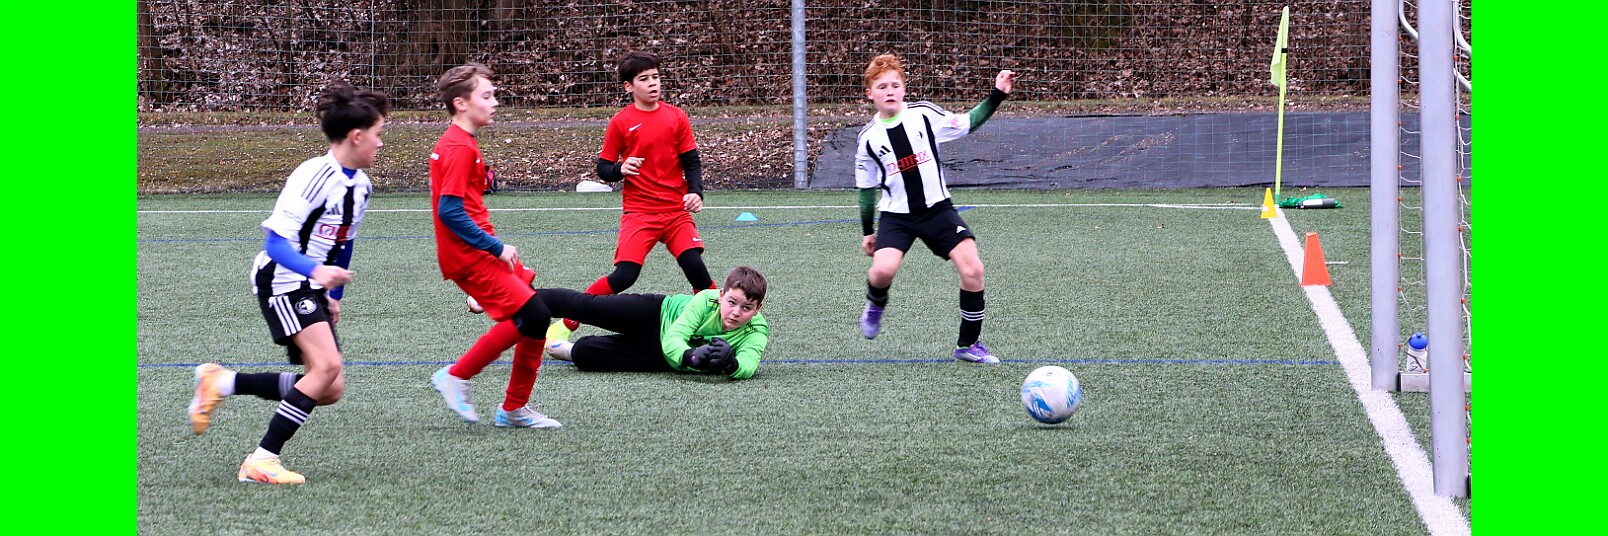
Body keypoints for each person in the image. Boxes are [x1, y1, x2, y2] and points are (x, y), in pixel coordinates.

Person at [186, 81, 389, 484]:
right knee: (327, 366)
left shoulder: (361, 186)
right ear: (356, 136)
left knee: (329, 387)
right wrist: (316, 273)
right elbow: (275, 244)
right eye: (379, 134)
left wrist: (333, 294)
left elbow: (343, 244)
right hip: (281, 281)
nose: (381, 143)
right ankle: (261, 460)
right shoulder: (313, 176)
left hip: (310, 285)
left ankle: (221, 382)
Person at [852, 54, 1016, 363]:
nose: (890, 91)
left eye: (895, 85)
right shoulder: (869, 140)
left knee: (973, 269)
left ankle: (968, 344)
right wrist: (867, 232)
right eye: (882, 86)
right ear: (870, 93)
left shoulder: (924, 115)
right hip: (896, 217)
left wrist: (998, 94)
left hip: (938, 210)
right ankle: (876, 303)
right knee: (882, 270)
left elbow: (968, 122)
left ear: (904, 89)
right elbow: (866, 189)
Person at [545, 51, 714, 344]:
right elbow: (603, 168)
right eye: (644, 79)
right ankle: (568, 322)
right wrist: (620, 169)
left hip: (675, 213)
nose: (653, 83)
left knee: (695, 267)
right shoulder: (621, 122)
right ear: (628, 86)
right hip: (640, 214)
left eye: (656, 77)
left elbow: (692, 162)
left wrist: (695, 192)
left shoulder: (676, 117)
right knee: (625, 276)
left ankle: (719, 322)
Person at [426, 63, 561, 429]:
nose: (495, 102)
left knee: (536, 316)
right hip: (472, 254)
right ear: (461, 103)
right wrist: (494, 246)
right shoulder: (459, 147)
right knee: (533, 316)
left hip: (476, 250)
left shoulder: (459, 142)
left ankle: (514, 408)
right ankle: (456, 376)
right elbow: (449, 211)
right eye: (486, 96)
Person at [543, 267, 769, 380]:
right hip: (655, 314)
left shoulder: (757, 330)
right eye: (731, 302)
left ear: (757, 309)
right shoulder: (705, 300)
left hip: (660, 357)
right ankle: (528, 299)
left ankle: (567, 349)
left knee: (585, 353)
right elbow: (674, 337)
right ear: (721, 295)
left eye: (746, 308)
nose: (736, 312)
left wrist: (731, 364)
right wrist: (690, 356)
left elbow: (748, 364)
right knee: (587, 307)